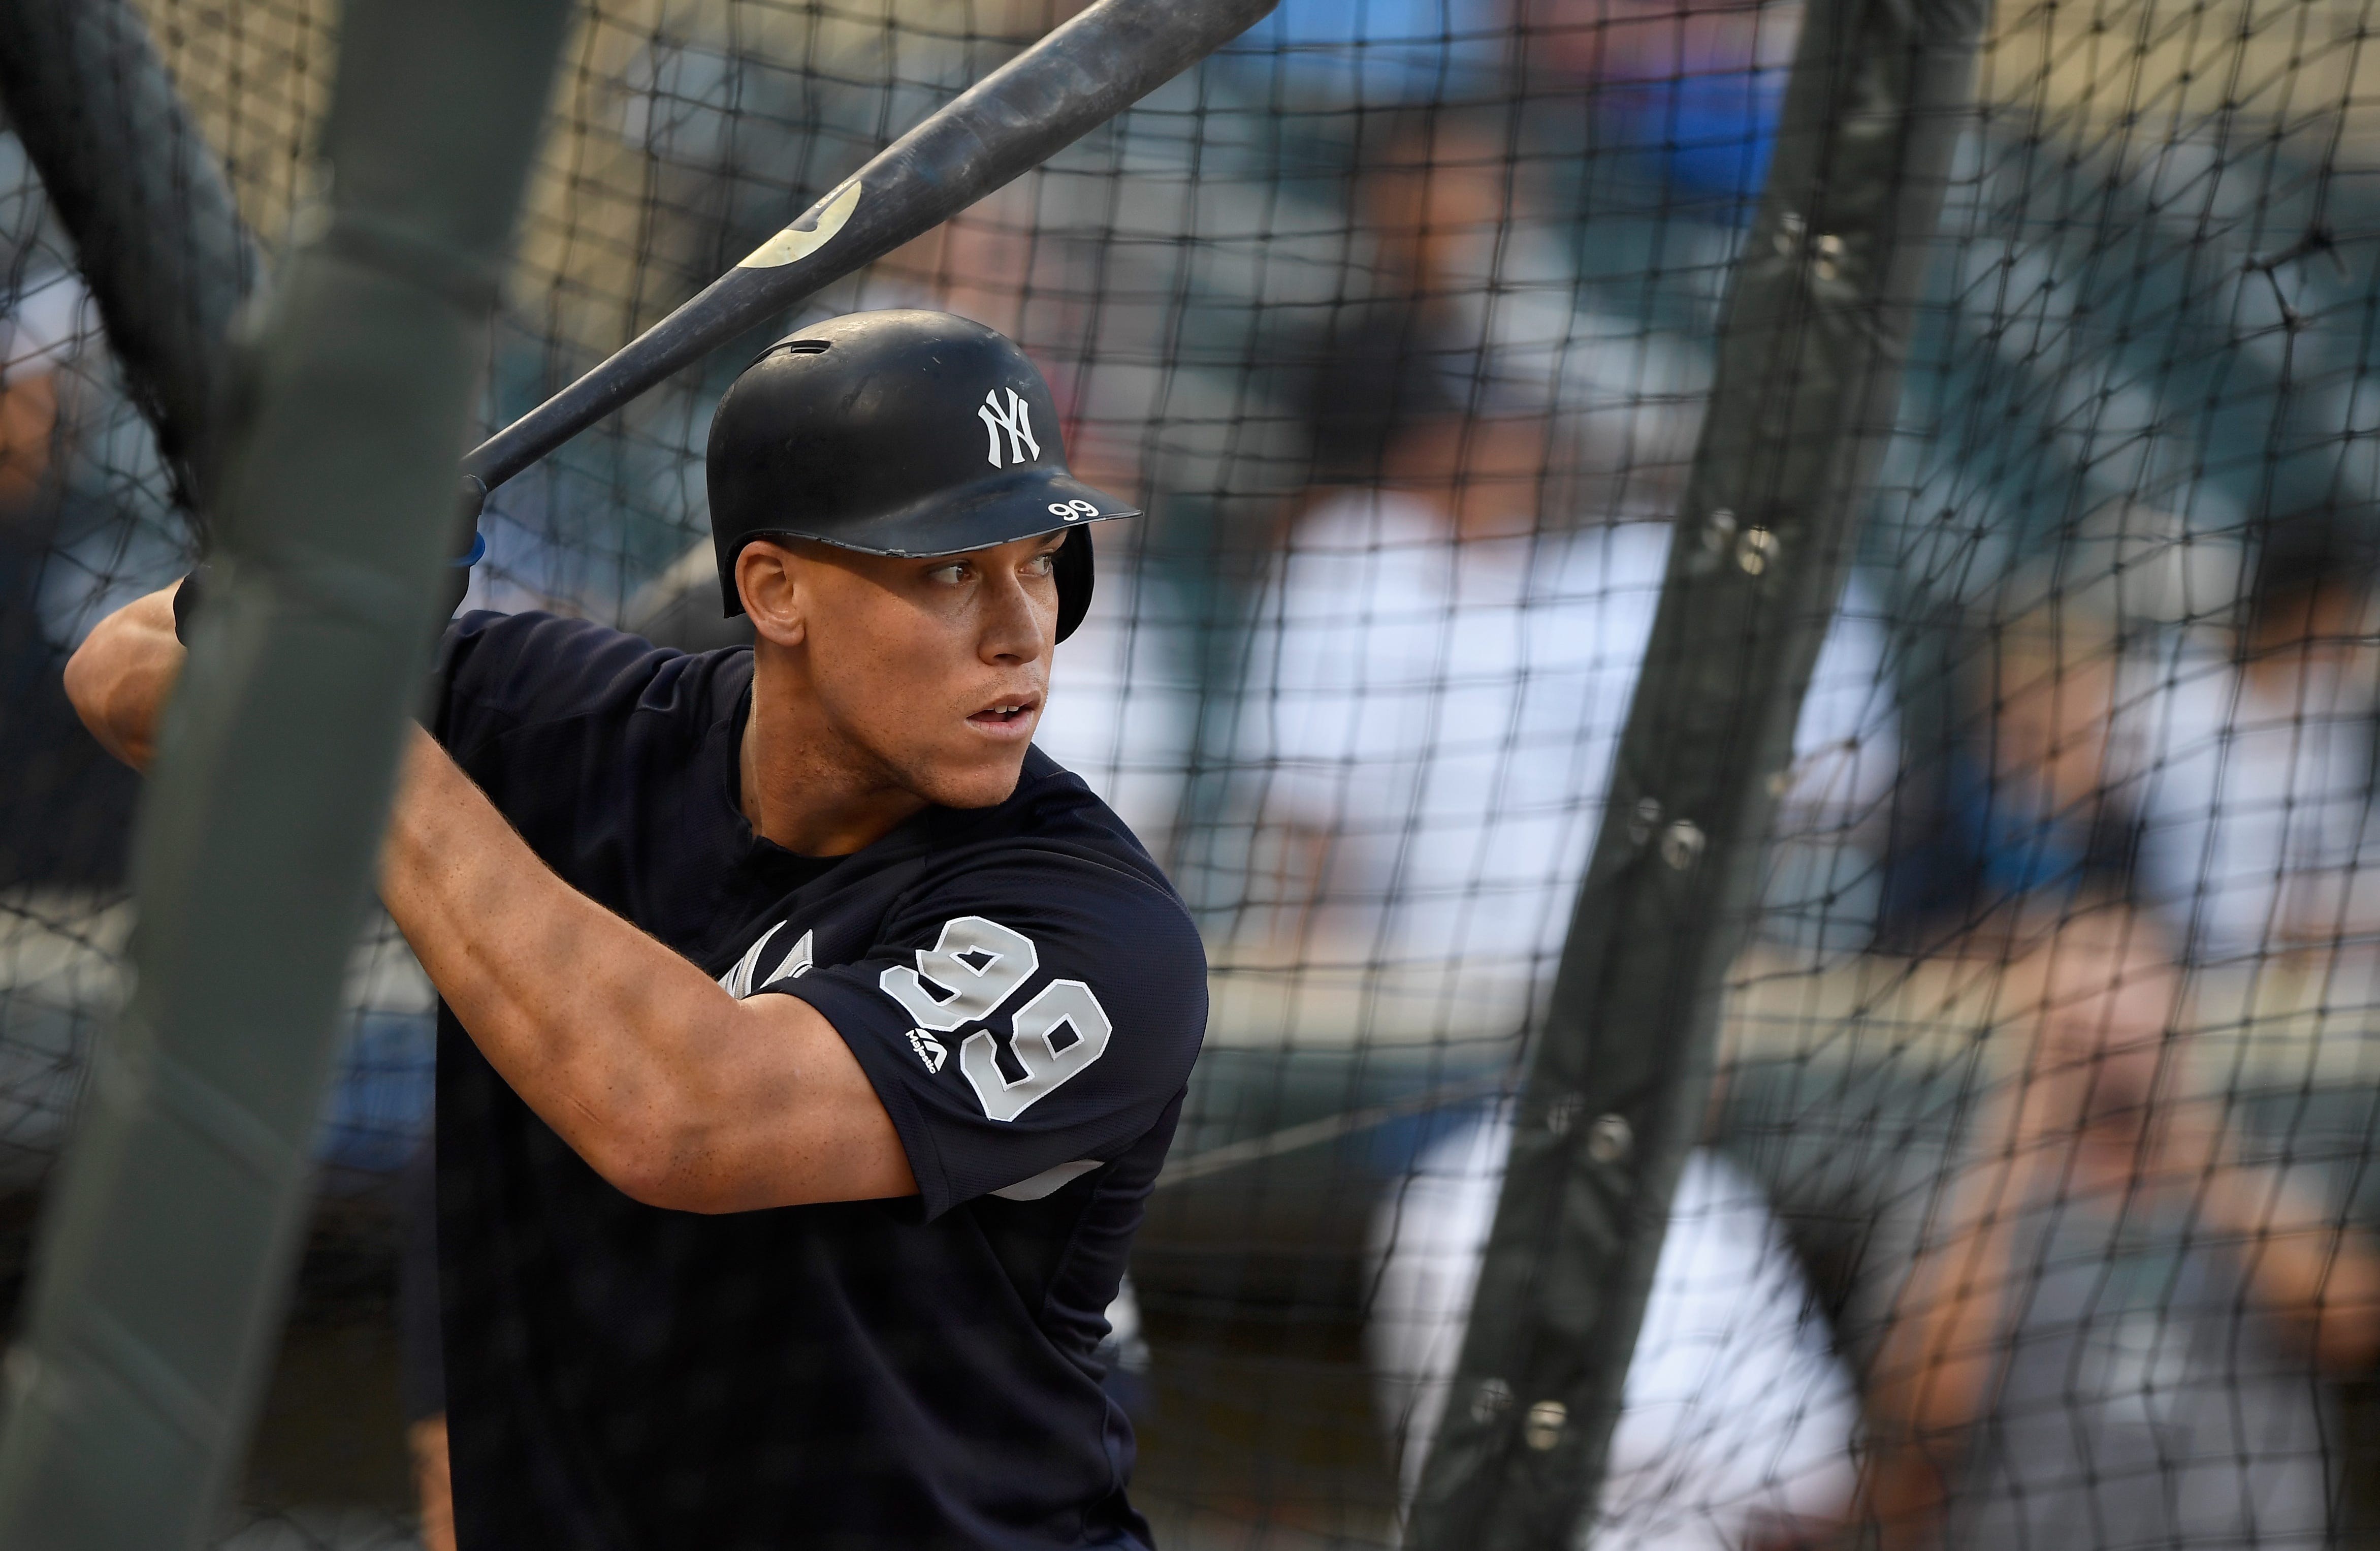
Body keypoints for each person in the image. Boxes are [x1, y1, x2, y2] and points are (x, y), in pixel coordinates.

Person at [66, 309, 1209, 1550]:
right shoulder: (574, 717)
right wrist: (323, 591)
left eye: (1040, 562)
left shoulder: (1096, 930)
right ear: (775, 590)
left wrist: (363, 739)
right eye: (949, 570)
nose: (1021, 628)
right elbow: (118, 672)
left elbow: (685, 1117)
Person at [1861, 902, 2380, 1550]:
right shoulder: (1962, 1203)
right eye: (2082, 1030)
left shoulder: (2257, 1183)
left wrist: (2188, 1122)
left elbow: (2352, 1328)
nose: (2112, 1052)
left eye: (2133, 1017)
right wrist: (2019, 1125)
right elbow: (1924, 1417)